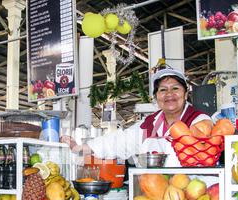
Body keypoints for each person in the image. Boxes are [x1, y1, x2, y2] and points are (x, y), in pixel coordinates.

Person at [61, 67, 212, 167]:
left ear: (186, 94)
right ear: (156, 97)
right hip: (153, 198)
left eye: (175, 88)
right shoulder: (150, 125)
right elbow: (120, 141)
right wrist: (80, 148)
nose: (169, 94)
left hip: (190, 198)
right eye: (163, 90)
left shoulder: (199, 120)